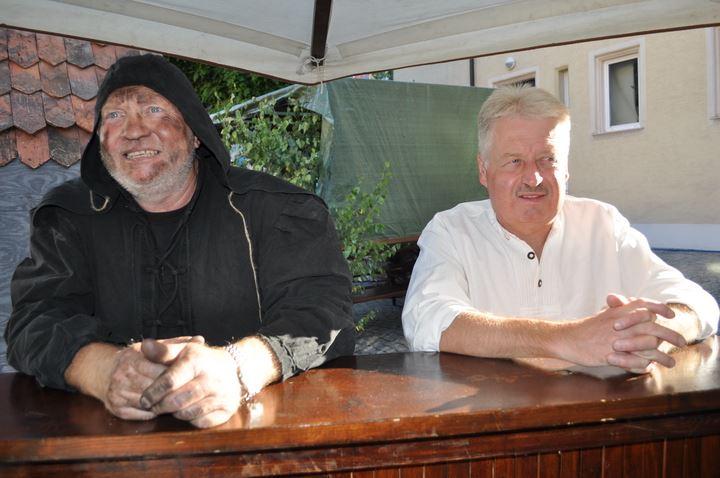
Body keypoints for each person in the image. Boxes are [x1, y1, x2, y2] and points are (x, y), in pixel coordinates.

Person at [5, 54, 355, 428]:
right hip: (115, 445)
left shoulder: (279, 211)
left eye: (153, 110)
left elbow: (323, 313)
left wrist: (238, 368)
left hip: (255, 437)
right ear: (101, 142)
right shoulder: (68, 217)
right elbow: (33, 320)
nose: (133, 130)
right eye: (115, 115)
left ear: (195, 131)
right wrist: (103, 369)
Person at [402, 86, 718, 374]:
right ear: (483, 170)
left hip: (604, 410)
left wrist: (652, 332)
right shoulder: (452, 231)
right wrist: (565, 339)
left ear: (566, 169)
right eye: (514, 161)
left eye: (547, 159)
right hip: (494, 413)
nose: (534, 178)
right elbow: (427, 318)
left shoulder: (602, 223)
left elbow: (697, 302)